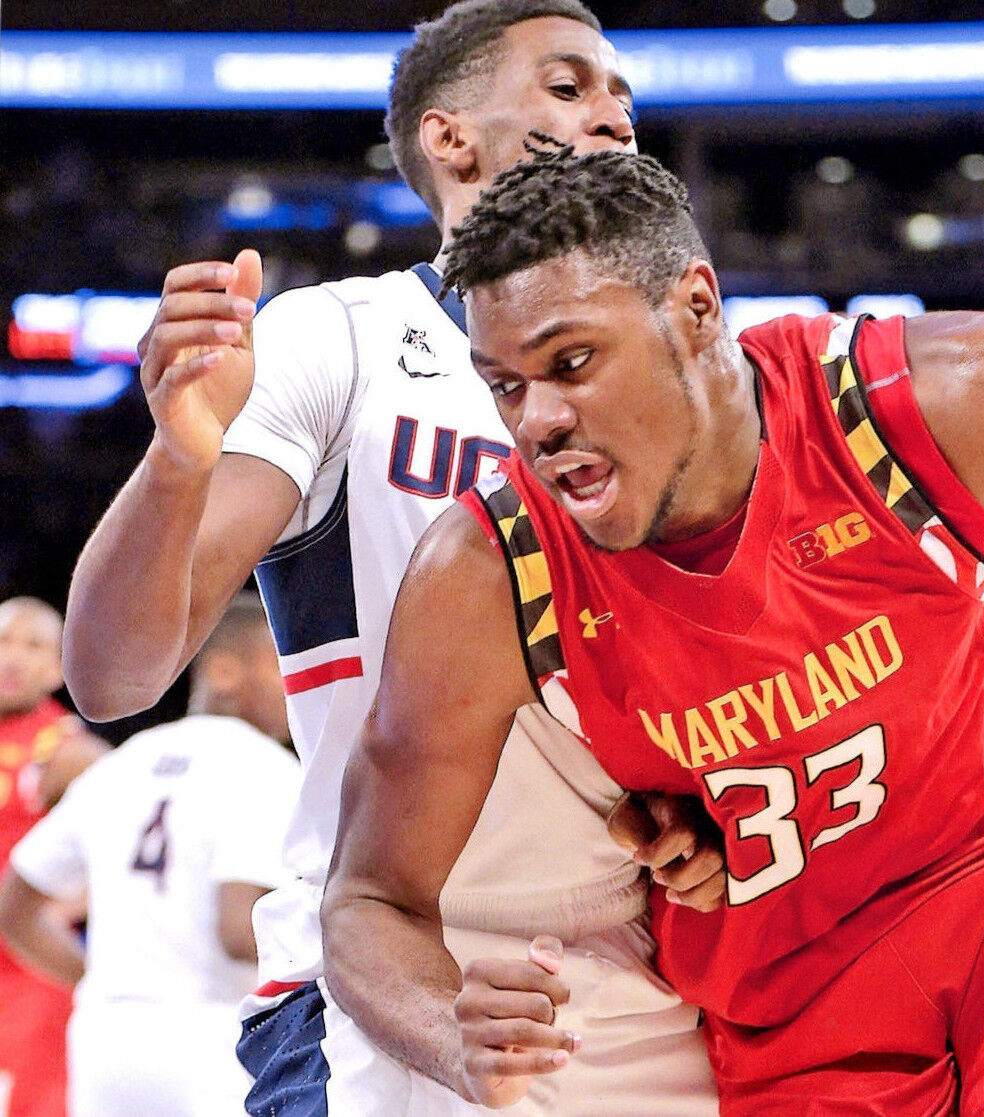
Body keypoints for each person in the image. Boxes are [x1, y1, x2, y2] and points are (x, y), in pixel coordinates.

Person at [319, 145, 984, 1117]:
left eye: (571, 363)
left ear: (695, 308)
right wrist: (448, 1031)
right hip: (789, 1010)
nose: (538, 419)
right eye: (504, 387)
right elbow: (366, 900)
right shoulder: (486, 569)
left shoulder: (912, 405)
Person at [62, 3, 720, 1113]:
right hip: (375, 975)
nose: (611, 111)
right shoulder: (342, 337)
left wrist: (698, 807)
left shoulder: (690, 364)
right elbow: (116, 675)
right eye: (566, 86)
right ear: (449, 139)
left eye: (620, 94)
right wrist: (177, 463)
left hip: (635, 984)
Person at [0, 594, 300, 1117]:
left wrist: (97, 977)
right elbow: (238, 931)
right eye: (283, 668)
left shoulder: (126, 759)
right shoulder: (266, 767)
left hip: (104, 1038)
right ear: (225, 671)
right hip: (211, 1036)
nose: (297, 687)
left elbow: (14, 909)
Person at [0, 597, 108, 1117]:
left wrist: (64, 908)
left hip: (30, 966)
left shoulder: (69, 750)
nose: (13, 657)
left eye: (33, 645)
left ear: (55, 669)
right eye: (3, 641)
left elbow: (123, 842)